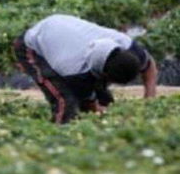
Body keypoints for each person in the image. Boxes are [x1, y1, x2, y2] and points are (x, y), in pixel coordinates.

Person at [13, 14, 158, 124]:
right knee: (65, 101)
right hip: (32, 46)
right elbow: (90, 106)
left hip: (61, 30)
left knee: (104, 98)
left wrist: (149, 100)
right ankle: (58, 139)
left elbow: (149, 67)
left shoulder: (124, 44)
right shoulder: (72, 68)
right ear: (102, 72)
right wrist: (111, 120)